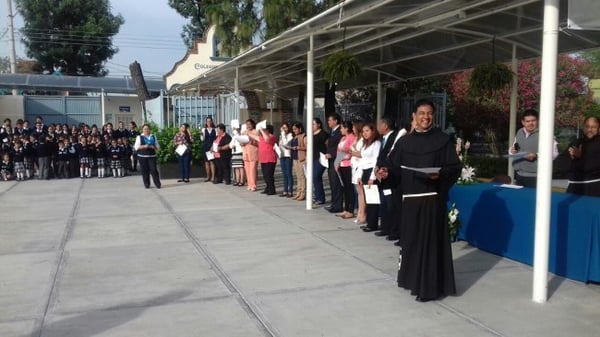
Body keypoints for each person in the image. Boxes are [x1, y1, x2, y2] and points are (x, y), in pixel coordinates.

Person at [378, 99, 461, 302]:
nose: (426, 117)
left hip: (432, 201)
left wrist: (440, 175)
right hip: (410, 203)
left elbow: (454, 168)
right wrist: (384, 174)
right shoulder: (404, 142)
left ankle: (430, 288)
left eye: (430, 113)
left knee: (431, 245)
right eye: (422, 113)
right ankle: (412, 280)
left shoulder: (443, 140)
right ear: (414, 116)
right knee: (412, 243)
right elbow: (394, 169)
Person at [509, 109, 558, 188]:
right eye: (527, 121)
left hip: (536, 177)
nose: (530, 123)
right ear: (523, 122)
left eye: (533, 120)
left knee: (533, 200)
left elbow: (554, 154)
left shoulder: (546, 134)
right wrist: (512, 150)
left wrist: (536, 155)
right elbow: (514, 147)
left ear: (538, 121)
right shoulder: (519, 132)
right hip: (519, 175)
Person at [373, 117, 400, 239]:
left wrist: (383, 168)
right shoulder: (383, 138)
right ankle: (385, 227)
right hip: (381, 175)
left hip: (390, 175)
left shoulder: (395, 137)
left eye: (379, 124)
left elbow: (391, 156)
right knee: (384, 202)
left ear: (385, 125)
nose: (377, 127)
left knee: (391, 204)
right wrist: (377, 167)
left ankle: (394, 230)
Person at [567, 116, 600, 196]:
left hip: (594, 188)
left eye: (593, 127)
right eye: (587, 126)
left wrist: (580, 157)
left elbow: (595, 166)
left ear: (599, 129)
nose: (590, 130)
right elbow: (562, 162)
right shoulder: (577, 142)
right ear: (583, 127)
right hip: (573, 188)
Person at [356, 123, 380, 232]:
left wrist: (372, 177)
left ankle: (373, 224)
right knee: (367, 199)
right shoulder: (365, 145)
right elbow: (362, 161)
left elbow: (376, 160)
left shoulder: (376, 143)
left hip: (371, 171)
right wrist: (359, 175)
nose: (365, 133)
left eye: (367, 131)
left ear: (373, 131)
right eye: (363, 131)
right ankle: (369, 222)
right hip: (364, 171)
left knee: (372, 200)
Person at [335, 121, 356, 219]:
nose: (340, 130)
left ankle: (350, 210)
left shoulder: (352, 137)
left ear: (347, 128)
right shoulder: (343, 138)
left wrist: (342, 157)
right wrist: (337, 162)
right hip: (342, 164)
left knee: (349, 188)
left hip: (348, 165)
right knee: (345, 188)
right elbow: (339, 151)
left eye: (342, 128)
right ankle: (346, 208)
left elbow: (350, 153)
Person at [251, 124, 277, 195]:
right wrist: (247, 133)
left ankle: (272, 189)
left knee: (269, 175)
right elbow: (254, 136)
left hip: (270, 159)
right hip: (263, 159)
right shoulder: (261, 138)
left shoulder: (271, 137)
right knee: (265, 175)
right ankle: (268, 188)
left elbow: (267, 139)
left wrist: (262, 130)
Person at [325, 113, 343, 213]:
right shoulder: (331, 131)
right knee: (332, 183)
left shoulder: (339, 132)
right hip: (330, 161)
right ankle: (333, 203)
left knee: (336, 183)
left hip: (336, 160)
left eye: (330, 120)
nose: (328, 122)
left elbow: (339, 147)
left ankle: (338, 205)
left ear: (335, 121)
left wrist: (332, 154)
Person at [134, 124, 161, 189]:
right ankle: (147, 184)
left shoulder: (153, 136)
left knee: (154, 170)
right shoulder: (140, 137)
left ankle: (157, 184)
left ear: (149, 129)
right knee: (145, 171)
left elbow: (158, 146)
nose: (146, 130)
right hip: (142, 156)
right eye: (145, 129)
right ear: (142, 130)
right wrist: (144, 146)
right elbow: (136, 147)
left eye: (147, 129)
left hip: (152, 156)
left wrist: (154, 147)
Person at [350, 120, 365, 224]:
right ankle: (360, 211)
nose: (352, 129)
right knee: (358, 192)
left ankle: (363, 213)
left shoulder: (363, 140)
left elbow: (362, 154)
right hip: (354, 166)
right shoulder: (356, 138)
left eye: (354, 127)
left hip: (360, 166)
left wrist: (353, 152)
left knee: (361, 192)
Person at [312, 117, 329, 205]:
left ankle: (321, 198)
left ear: (319, 124)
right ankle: (317, 196)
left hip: (321, 158)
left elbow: (327, 145)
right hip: (313, 158)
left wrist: (325, 154)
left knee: (316, 176)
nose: (312, 126)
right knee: (314, 178)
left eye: (314, 124)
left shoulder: (323, 134)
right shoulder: (311, 134)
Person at [290, 122, 307, 201]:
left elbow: (306, 147)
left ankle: (303, 193)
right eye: (293, 129)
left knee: (302, 176)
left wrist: (298, 147)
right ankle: (298, 192)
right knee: (298, 176)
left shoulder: (304, 136)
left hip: (301, 158)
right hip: (295, 158)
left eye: (295, 129)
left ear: (300, 128)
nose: (294, 131)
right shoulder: (294, 137)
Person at [241, 119, 259, 191]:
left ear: (252, 124)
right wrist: (241, 143)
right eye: (247, 124)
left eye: (249, 124)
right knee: (247, 170)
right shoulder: (244, 132)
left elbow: (258, 142)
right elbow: (241, 143)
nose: (248, 126)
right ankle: (249, 184)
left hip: (253, 152)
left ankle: (254, 185)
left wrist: (252, 141)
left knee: (253, 169)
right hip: (246, 152)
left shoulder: (256, 132)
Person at [278, 123, 294, 197]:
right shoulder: (281, 136)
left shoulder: (290, 135)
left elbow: (285, 143)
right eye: (283, 128)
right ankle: (285, 190)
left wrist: (283, 133)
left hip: (288, 156)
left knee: (288, 174)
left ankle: (290, 190)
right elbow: (280, 145)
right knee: (284, 174)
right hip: (282, 155)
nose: (284, 129)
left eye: (285, 128)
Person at [200, 117, 217, 182]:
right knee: (206, 162)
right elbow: (202, 139)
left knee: (212, 162)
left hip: (212, 147)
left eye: (210, 121)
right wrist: (201, 135)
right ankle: (208, 176)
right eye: (207, 121)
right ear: (206, 122)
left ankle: (213, 177)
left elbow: (216, 139)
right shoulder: (204, 129)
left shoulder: (215, 129)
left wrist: (213, 146)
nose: (208, 122)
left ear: (212, 122)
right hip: (205, 147)